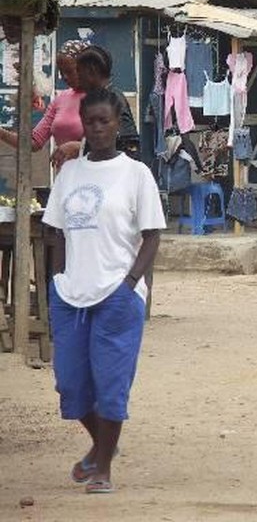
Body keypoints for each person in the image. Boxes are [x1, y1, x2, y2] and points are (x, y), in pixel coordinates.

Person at [43, 86, 165, 494]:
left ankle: (102, 471)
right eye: (89, 122)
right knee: (71, 385)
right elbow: (56, 232)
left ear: (117, 125)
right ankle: (103, 446)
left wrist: (130, 284)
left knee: (110, 384)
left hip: (117, 293)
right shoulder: (70, 172)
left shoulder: (136, 174)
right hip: (71, 295)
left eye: (103, 121)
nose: (95, 129)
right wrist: (57, 282)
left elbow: (151, 236)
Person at [0, 40, 92, 168]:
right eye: (61, 71)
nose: (64, 77)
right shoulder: (61, 99)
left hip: (96, 177)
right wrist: (1, 132)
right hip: (66, 179)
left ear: (86, 67)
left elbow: (119, 144)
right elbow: (34, 142)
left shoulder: (105, 98)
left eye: (70, 71)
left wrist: (80, 147)